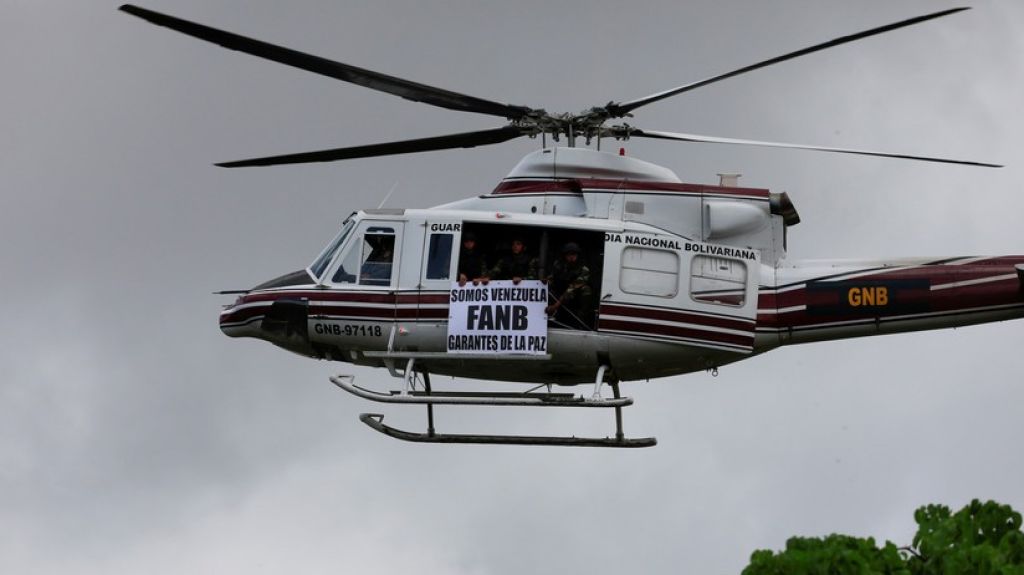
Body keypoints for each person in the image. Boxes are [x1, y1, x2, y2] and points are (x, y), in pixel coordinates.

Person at [545, 242, 593, 328]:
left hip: (574, 298)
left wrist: (556, 306)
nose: (571, 257)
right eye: (568, 254)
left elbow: (572, 289)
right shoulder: (558, 265)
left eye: (573, 254)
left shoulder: (584, 269)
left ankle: (581, 319)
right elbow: (551, 278)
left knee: (586, 289)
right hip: (559, 293)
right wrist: (545, 282)